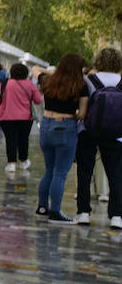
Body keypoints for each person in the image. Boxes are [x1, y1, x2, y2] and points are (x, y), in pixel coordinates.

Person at [74, 48, 122, 228]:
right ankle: (117, 215)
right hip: (116, 134)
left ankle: (84, 212)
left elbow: (82, 107)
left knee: (85, 171)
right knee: (116, 174)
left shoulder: (89, 81)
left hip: (89, 130)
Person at [37, 53, 88, 223]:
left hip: (46, 125)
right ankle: (55, 211)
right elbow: (82, 114)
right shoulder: (80, 85)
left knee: (49, 170)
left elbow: (35, 68)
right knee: (60, 172)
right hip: (65, 127)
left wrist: (56, 72)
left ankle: (42, 206)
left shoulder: (48, 80)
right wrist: (73, 115)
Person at [0, 63, 40, 175]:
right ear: (25, 73)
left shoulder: (5, 84)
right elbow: (38, 100)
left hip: (6, 117)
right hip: (26, 118)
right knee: (24, 139)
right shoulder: (30, 84)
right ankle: (23, 161)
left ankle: (11, 163)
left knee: (10, 139)